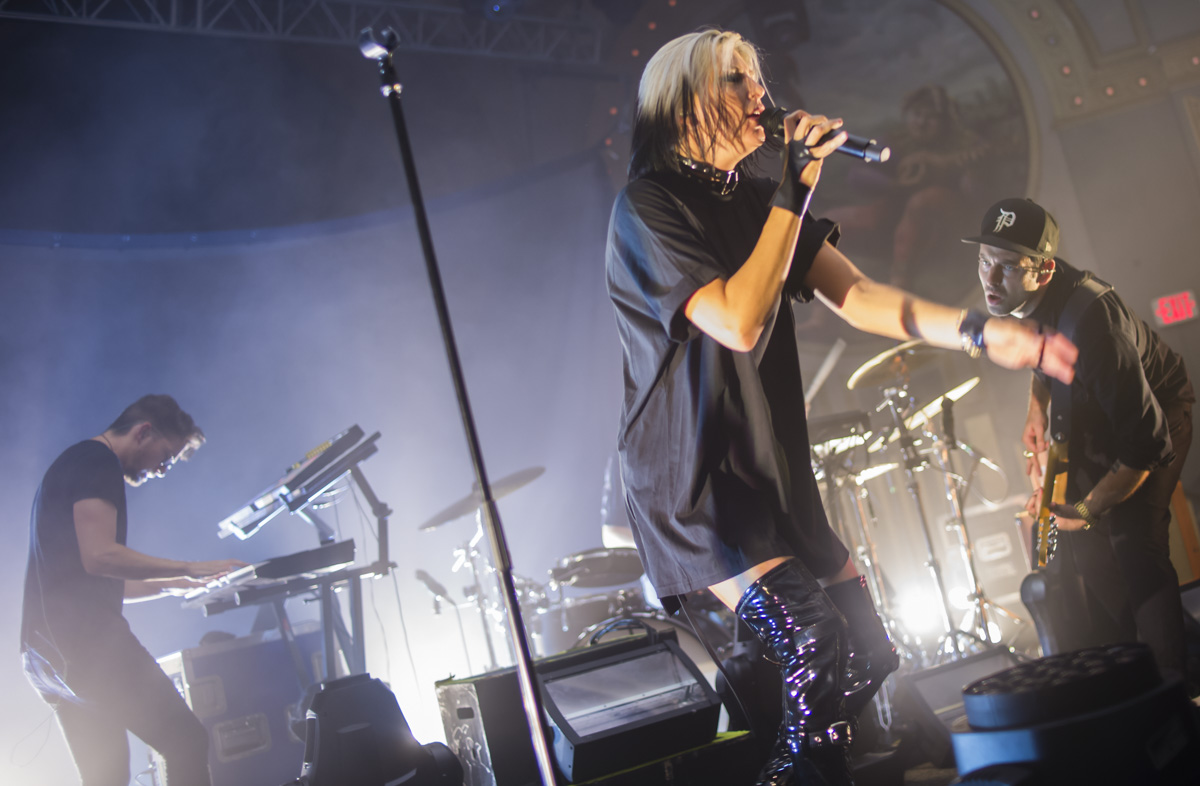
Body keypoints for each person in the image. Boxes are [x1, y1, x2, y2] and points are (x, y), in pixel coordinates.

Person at [605, 30, 1077, 786]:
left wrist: (980, 333)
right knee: (813, 643)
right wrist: (794, 186)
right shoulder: (648, 208)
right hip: (695, 476)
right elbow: (737, 320)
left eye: (759, 77)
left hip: (767, 466)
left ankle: (798, 765)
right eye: (737, 80)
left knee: (868, 652)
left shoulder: (759, 197)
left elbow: (857, 296)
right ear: (685, 105)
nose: (761, 94)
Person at [965, 197, 1195, 684]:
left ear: (1044, 270)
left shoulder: (1096, 327)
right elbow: (1042, 353)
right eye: (984, 261)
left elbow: (1145, 443)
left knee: (1134, 542)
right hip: (1098, 413)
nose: (990, 279)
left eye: (1006, 266)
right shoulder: (1017, 296)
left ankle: (1175, 688)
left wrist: (1088, 508)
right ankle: (1167, 655)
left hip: (1155, 413)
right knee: (1087, 552)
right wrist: (1037, 408)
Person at [20, 395, 247, 786]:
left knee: (106, 778)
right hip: (86, 646)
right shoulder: (97, 461)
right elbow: (101, 557)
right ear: (144, 432)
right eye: (167, 457)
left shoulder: (73, 462)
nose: (161, 470)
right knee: (186, 740)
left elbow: (94, 576)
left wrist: (173, 584)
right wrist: (188, 565)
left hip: (46, 654)